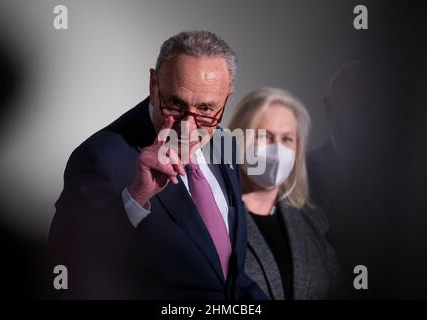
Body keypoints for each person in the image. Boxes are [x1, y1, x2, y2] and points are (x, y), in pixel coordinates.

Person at [49, 30, 266, 299]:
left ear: (226, 100)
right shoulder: (101, 157)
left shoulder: (225, 143)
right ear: (154, 85)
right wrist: (135, 198)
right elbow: (66, 266)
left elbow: (223, 274)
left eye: (206, 109)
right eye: (175, 103)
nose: (188, 127)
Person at [228, 87, 342, 299]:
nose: (277, 149)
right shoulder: (216, 220)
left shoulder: (311, 220)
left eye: (287, 139)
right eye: (265, 136)